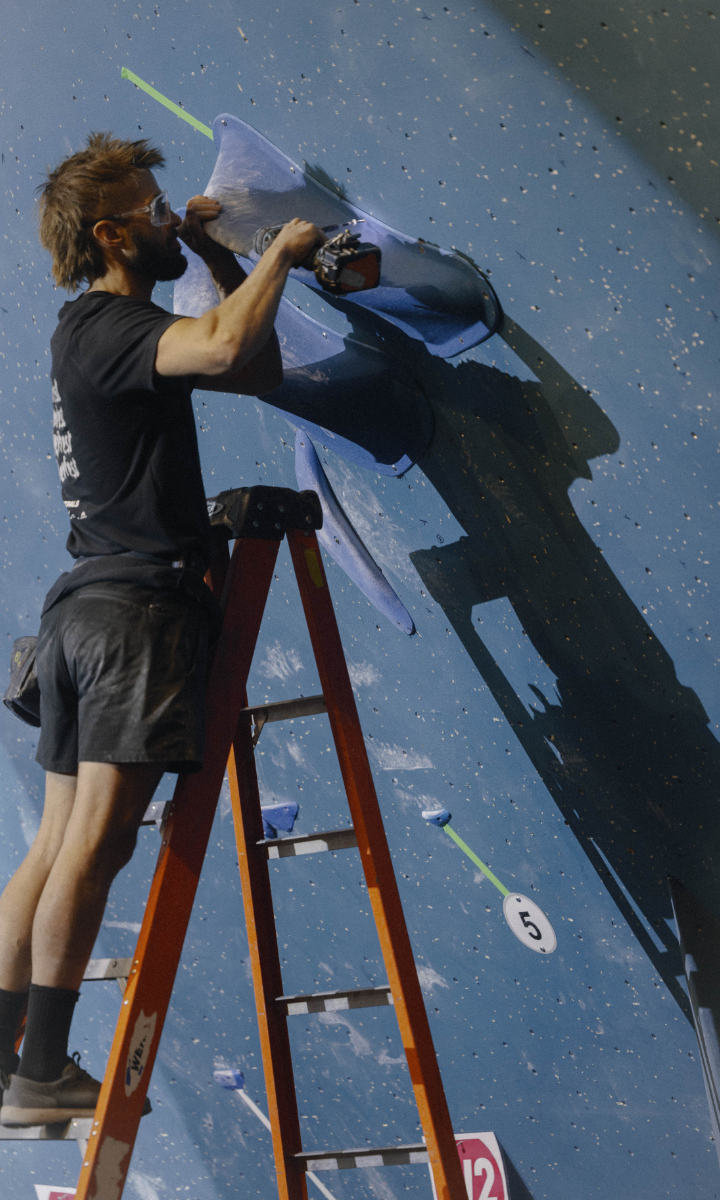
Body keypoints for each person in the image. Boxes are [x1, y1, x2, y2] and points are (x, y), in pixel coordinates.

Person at [0, 132, 324, 1126]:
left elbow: (252, 367)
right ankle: (41, 1072)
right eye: (150, 207)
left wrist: (224, 257)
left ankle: (8, 1063)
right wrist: (282, 251)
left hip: (86, 615)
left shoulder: (104, 331)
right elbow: (223, 344)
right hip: (133, 617)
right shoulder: (109, 326)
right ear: (110, 235)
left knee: (55, 847)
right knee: (93, 848)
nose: (166, 213)